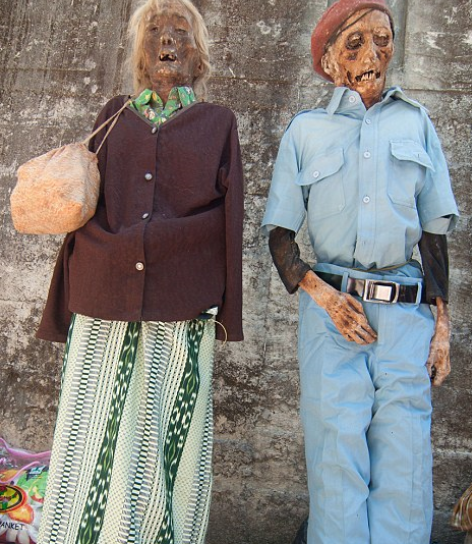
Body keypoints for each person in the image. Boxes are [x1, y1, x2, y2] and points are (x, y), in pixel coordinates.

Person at [35, 0, 244, 542]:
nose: (167, 39)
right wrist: (64, 300)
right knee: (91, 433)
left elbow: (232, 215)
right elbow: (85, 205)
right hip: (103, 297)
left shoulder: (218, 123)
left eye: (180, 31)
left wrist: (227, 312)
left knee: (167, 440)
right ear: (139, 54)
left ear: (199, 56)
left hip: (182, 302)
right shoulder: (114, 115)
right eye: (154, 30)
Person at [261, 1, 459, 543]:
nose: (372, 54)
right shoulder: (306, 131)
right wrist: (326, 298)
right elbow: (280, 236)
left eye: (382, 40)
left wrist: (442, 326)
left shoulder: (416, 122)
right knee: (335, 457)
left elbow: (434, 233)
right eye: (355, 43)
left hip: (406, 318)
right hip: (332, 317)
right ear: (330, 61)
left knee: (406, 462)